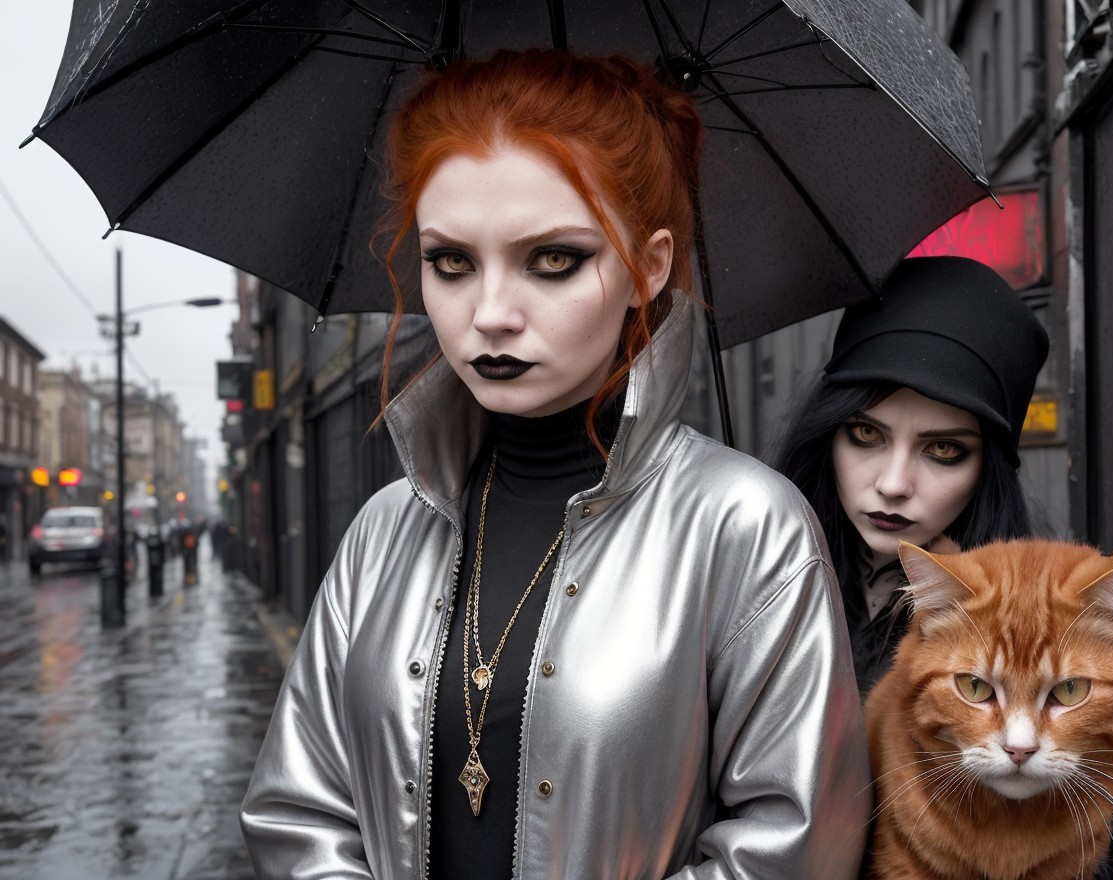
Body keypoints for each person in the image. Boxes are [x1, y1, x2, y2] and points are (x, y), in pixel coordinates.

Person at [241, 49, 869, 878]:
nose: (491, 315)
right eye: (450, 262)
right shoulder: (382, 533)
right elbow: (298, 810)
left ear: (649, 267)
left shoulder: (744, 525)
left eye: (553, 260)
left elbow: (797, 846)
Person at [773, 256, 1049, 694]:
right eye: (866, 433)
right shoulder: (759, 581)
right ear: (827, 434)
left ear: (987, 472)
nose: (894, 484)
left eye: (943, 449)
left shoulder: (1048, 632)